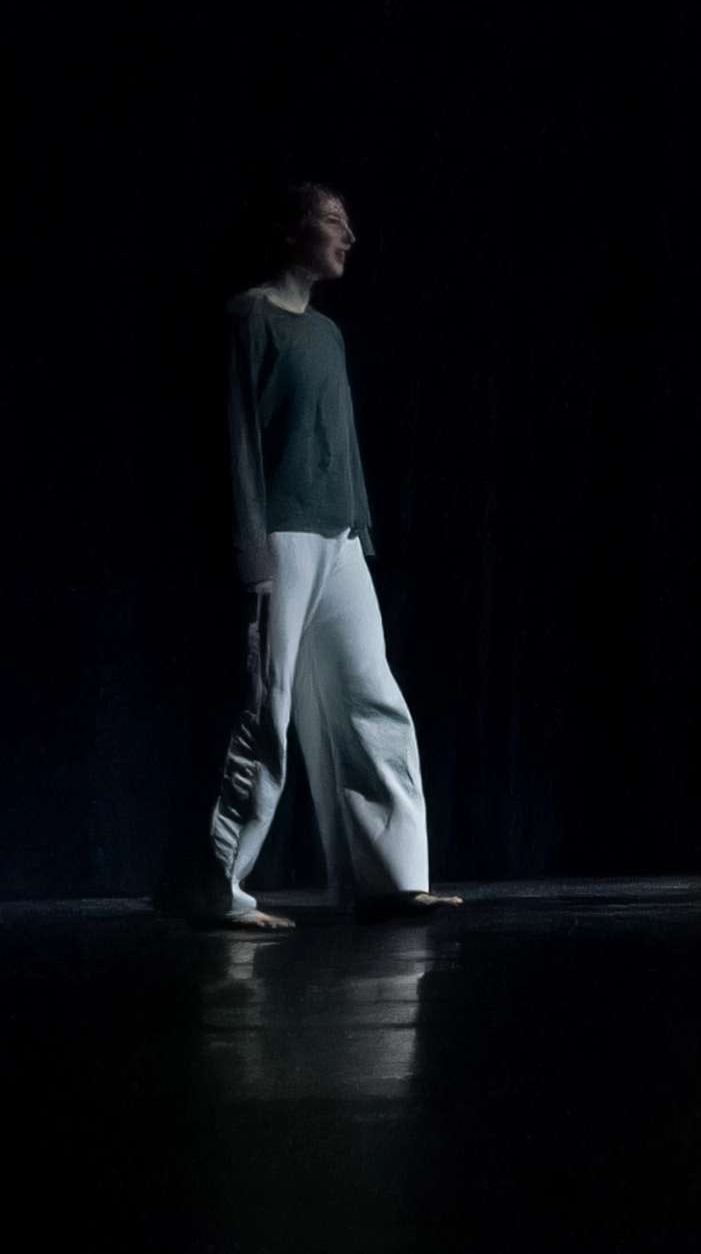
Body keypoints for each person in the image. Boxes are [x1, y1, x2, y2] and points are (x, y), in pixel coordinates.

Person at [167, 183, 453, 928]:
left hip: (340, 536)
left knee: (372, 696)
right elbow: (237, 439)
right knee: (270, 705)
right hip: (282, 536)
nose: (348, 236)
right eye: (334, 222)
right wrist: (251, 551)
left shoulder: (328, 334)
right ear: (293, 232)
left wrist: (361, 528)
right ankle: (219, 884)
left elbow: (343, 440)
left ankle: (391, 878)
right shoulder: (249, 317)